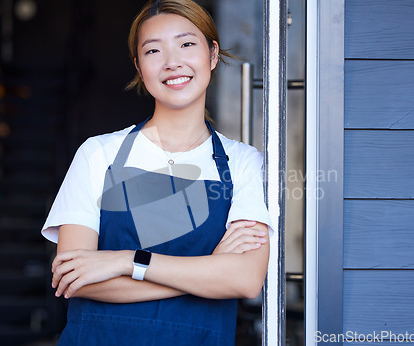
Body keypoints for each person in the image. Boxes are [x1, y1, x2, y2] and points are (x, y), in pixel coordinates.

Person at [41, 0, 273, 345]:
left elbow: (245, 279)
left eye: (187, 44)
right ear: (139, 66)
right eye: (153, 50)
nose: (172, 62)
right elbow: (77, 277)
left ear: (212, 54)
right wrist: (208, 269)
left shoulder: (243, 163)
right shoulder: (98, 154)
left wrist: (125, 261)